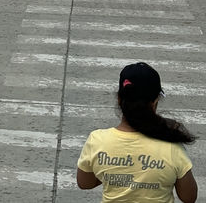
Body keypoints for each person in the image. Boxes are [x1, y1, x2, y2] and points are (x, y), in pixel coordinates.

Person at [77, 61, 197, 203]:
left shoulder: (97, 141)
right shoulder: (171, 148)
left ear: (119, 99)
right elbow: (189, 197)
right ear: (154, 103)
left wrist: (117, 176)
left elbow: (85, 183)